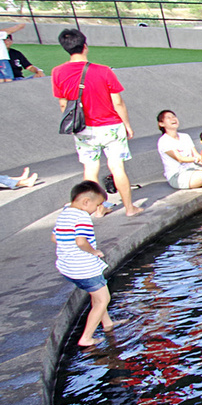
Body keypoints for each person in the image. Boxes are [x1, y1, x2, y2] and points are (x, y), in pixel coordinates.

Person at [51, 28, 143, 217]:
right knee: (117, 167)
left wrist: (74, 125)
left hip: (83, 128)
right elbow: (117, 101)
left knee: (90, 169)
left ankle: (99, 209)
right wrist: (127, 124)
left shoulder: (57, 72)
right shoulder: (103, 70)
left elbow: (63, 104)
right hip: (110, 125)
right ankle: (129, 208)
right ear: (85, 46)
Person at [53, 180, 117, 347]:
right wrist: (93, 251)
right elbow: (81, 241)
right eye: (97, 205)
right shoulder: (82, 217)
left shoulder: (65, 213)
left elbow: (54, 237)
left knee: (96, 295)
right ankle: (86, 338)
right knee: (103, 299)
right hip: (84, 268)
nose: (97, 209)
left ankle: (107, 324)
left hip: (68, 267)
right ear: (86, 202)